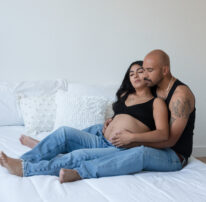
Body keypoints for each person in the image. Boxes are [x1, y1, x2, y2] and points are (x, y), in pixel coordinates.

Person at [0, 60, 169, 179]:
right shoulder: (125, 96)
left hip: (121, 149)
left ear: (148, 76)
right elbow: (122, 116)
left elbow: (162, 134)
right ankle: (24, 159)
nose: (135, 75)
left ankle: (26, 169)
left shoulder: (156, 102)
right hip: (102, 139)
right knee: (64, 132)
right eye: (131, 73)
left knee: (78, 155)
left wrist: (132, 137)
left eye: (140, 71)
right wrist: (110, 122)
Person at [59, 49, 196, 183]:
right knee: (97, 128)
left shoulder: (180, 96)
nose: (144, 76)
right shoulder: (155, 88)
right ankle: (57, 146)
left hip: (173, 154)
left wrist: (132, 139)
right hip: (154, 144)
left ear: (164, 71)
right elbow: (140, 111)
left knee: (140, 153)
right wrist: (113, 121)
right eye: (144, 70)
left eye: (149, 70)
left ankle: (80, 172)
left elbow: (169, 140)